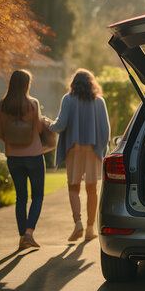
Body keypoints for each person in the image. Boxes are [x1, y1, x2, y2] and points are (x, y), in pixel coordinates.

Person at [50, 68, 110, 242]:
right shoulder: (99, 102)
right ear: (92, 84)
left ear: (74, 84)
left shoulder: (68, 99)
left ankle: (78, 223)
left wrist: (47, 125)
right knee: (92, 190)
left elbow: (61, 124)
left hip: (74, 149)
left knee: (73, 187)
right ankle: (90, 229)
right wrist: (102, 151)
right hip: (93, 150)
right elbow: (106, 131)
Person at [0, 69, 45, 249]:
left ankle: (21, 238)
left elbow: (0, 133)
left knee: (21, 198)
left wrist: (13, 143)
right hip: (33, 155)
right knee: (38, 196)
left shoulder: (2, 105)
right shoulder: (33, 104)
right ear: (27, 85)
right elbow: (39, 129)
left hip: (13, 157)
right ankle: (29, 233)